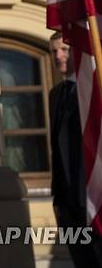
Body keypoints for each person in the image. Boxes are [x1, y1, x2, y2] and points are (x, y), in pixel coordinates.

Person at [49, 32, 102, 267]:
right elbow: (57, 151)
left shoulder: (95, 91)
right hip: (68, 202)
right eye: (54, 51)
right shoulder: (55, 95)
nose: (58, 56)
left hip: (95, 198)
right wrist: (58, 200)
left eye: (64, 49)